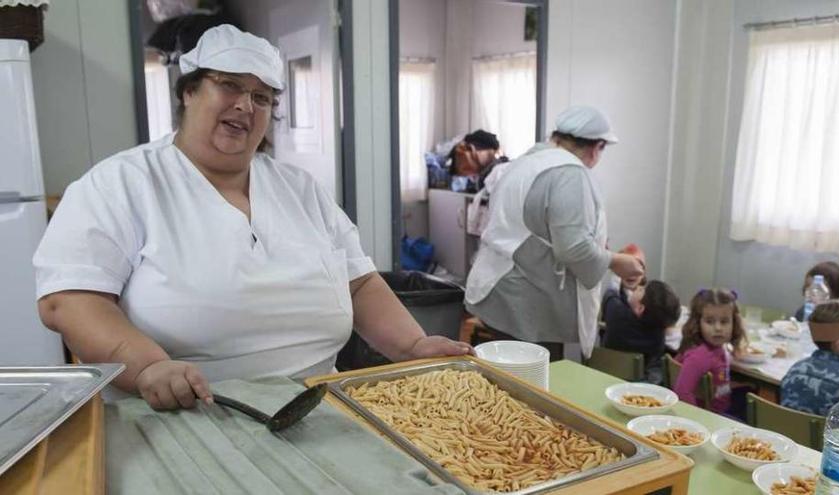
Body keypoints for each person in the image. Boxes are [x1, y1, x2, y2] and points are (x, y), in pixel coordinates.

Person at [33, 25, 470, 411]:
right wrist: (148, 368)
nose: (245, 106)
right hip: (178, 416)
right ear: (189, 92)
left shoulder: (300, 189)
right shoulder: (122, 183)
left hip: (317, 408)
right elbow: (68, 301)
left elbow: (359, 283)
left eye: (262, 97)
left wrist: (413, 345)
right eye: (228, 86)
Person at [465, 106, 645, 362]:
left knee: (505, 376)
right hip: (527, 300)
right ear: (597, 147)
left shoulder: (527, 162)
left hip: (499, 287)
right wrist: (616, 261)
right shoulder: (570, 173)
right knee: (532, 384)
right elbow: (573, 248)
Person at [673, 288, 745, 414]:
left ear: (734, 323)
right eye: (710, 321)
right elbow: (682, 391)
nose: (718, 328)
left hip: (720, 404)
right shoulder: (700, 356)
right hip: (714, 415)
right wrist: (699, 419)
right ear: (697, 323)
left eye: (724, 321)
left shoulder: (718, 348)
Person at [601, 280, 681, 384]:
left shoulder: (617, 315)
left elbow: (610, 294)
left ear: (640, 308)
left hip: (604, 378)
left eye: (642, 289)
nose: (638, 287)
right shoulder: (658, 338)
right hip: (635, 389)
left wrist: (623, 281)